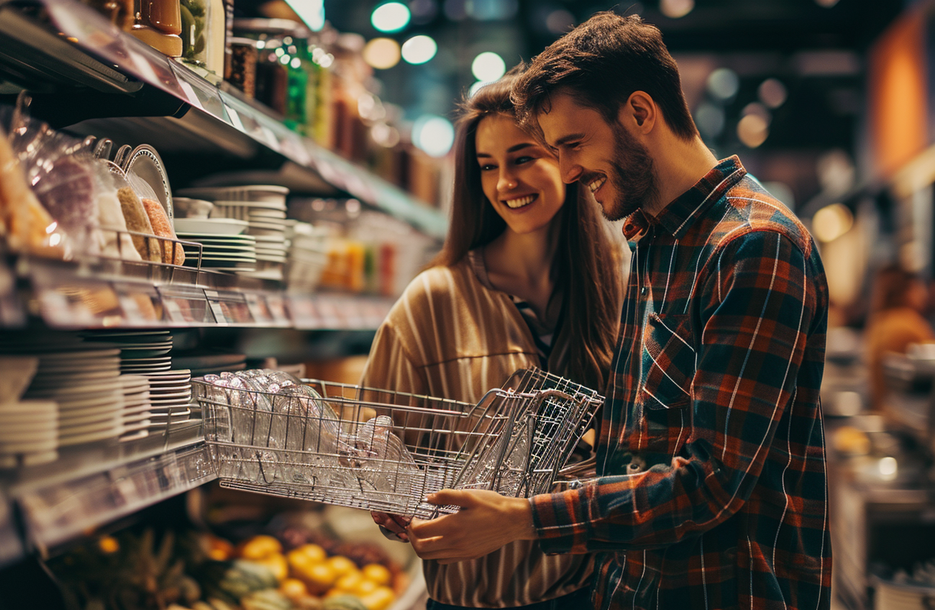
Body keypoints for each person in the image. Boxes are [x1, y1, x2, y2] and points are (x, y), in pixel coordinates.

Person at [405, 12, 831, 610]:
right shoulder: (653, 238)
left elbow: (712, 483)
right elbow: (644, 444)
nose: (570, 170)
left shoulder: (753, 246)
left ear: (639, 112)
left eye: (573, 145)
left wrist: (521, 519)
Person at [358, 67, 623, 609]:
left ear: (566, 161)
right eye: (487, 167)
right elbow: (375, 445)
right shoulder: (433, 301)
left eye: (523, 158)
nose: (505, 183)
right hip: (475, 600)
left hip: (593, 594)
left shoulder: (617, 289)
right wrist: (390, 497)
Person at [864, 262, 935, 410]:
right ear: (908, 291)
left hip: (881, 407)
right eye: (919, 287)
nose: (924, 293)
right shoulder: (910, 323)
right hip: (902, 415)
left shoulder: (881, 320)